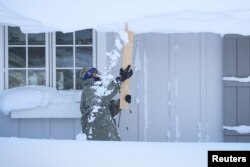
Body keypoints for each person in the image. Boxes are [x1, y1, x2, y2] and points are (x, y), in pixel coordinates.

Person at [80, 66, 132, 141]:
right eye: (95, 73)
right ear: (89, 75)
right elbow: (101, 99)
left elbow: (107, 110)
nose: (98, 74)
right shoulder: (88, 90)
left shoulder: (98, 91)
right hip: (96, 139)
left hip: (108, 138)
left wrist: (120, 103)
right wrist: (118, 80)